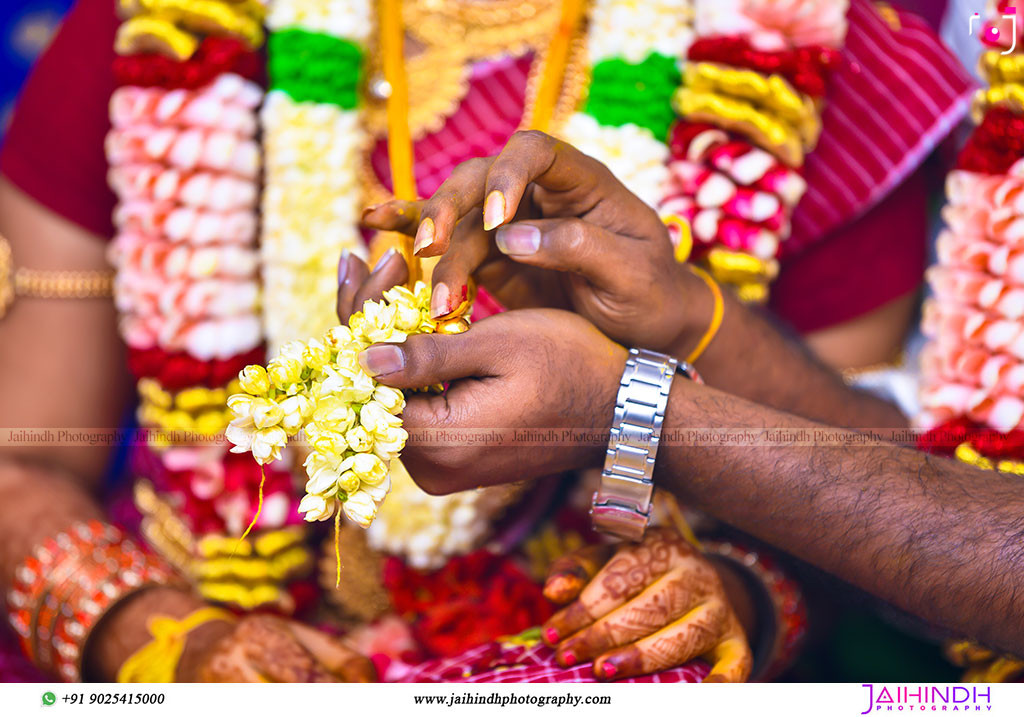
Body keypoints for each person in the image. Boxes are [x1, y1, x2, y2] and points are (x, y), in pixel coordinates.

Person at [0, 0, 971, 683]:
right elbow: (18, 461)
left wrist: (729, 602)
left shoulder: (811, 49)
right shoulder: (164, 24)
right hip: (211, 616)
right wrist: (156, 637)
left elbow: (894, 524)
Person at [342, 131, 1024, 661]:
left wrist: (624, 408)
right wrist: (682, 311)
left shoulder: (845, 56)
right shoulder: (246, 43)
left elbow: (911, 513)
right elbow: (925, 482)